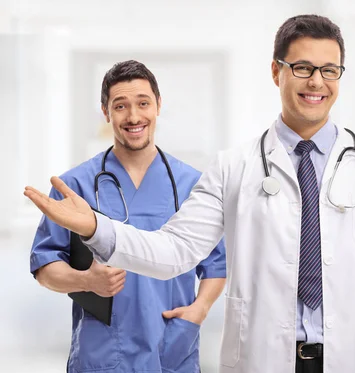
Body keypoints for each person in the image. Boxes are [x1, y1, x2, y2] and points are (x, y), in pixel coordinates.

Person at [25, 16, 355, 373]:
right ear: (276, 71)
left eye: (329, 69)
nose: (315, 80)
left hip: (346, 357)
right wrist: (95, 227)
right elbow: (174, 254)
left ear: (339, 76)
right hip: (262, 358)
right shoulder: (233, 167)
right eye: (301, 67)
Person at [29, 60, 227, 373]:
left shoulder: (193, 184)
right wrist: (86, 281)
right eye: (120, 106)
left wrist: (199, 310)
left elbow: (216, 265)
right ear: (106, 112)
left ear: (158, 106)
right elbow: (44, 266)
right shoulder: (75, 186)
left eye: (143, 103)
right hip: (103, 352)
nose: (134, 117)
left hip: (171, 348)